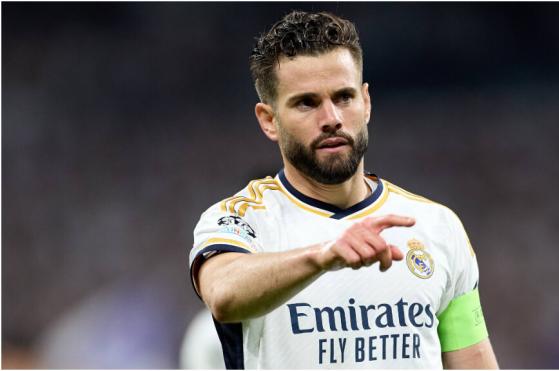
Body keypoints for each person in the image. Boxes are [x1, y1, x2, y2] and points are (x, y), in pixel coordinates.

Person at [189, 10, 498, 369]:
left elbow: (474, 361)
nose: (331, 118)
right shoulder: (241, 219)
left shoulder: (437, 226)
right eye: (307, 103)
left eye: (344, 97)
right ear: (269, 120)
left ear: (366, 102)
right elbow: (224, 293)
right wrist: (323, 256)